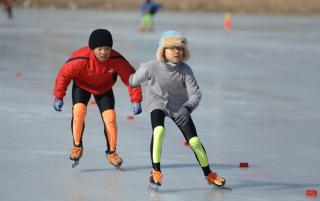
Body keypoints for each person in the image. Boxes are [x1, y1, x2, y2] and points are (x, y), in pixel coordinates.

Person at [129, 31, 227, 190]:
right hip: (157, 103)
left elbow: (196, 93)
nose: (176, 51)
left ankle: (209, 174)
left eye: (180, 48)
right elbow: (132, 80)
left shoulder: (185, 70)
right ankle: (156, 171)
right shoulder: (151, 67)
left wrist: (187, 107)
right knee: (159, 131)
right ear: (162, 51)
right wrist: (133, 78)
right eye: (171, 48)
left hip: (179, 107)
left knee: (194, 141)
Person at [53, 29, 143, 168]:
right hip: (82, 86)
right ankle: (77, 146)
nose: (103, 52)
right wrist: (58, 96)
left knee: (110, 118)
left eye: (107, 49)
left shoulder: (116, 59)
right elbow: (64, 75)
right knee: (79, 111)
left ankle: (111, 152)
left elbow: (131, 78)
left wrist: (136, 99)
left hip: (104, 89)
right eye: (99, 49)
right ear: (92, 48)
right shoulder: (80, 59)